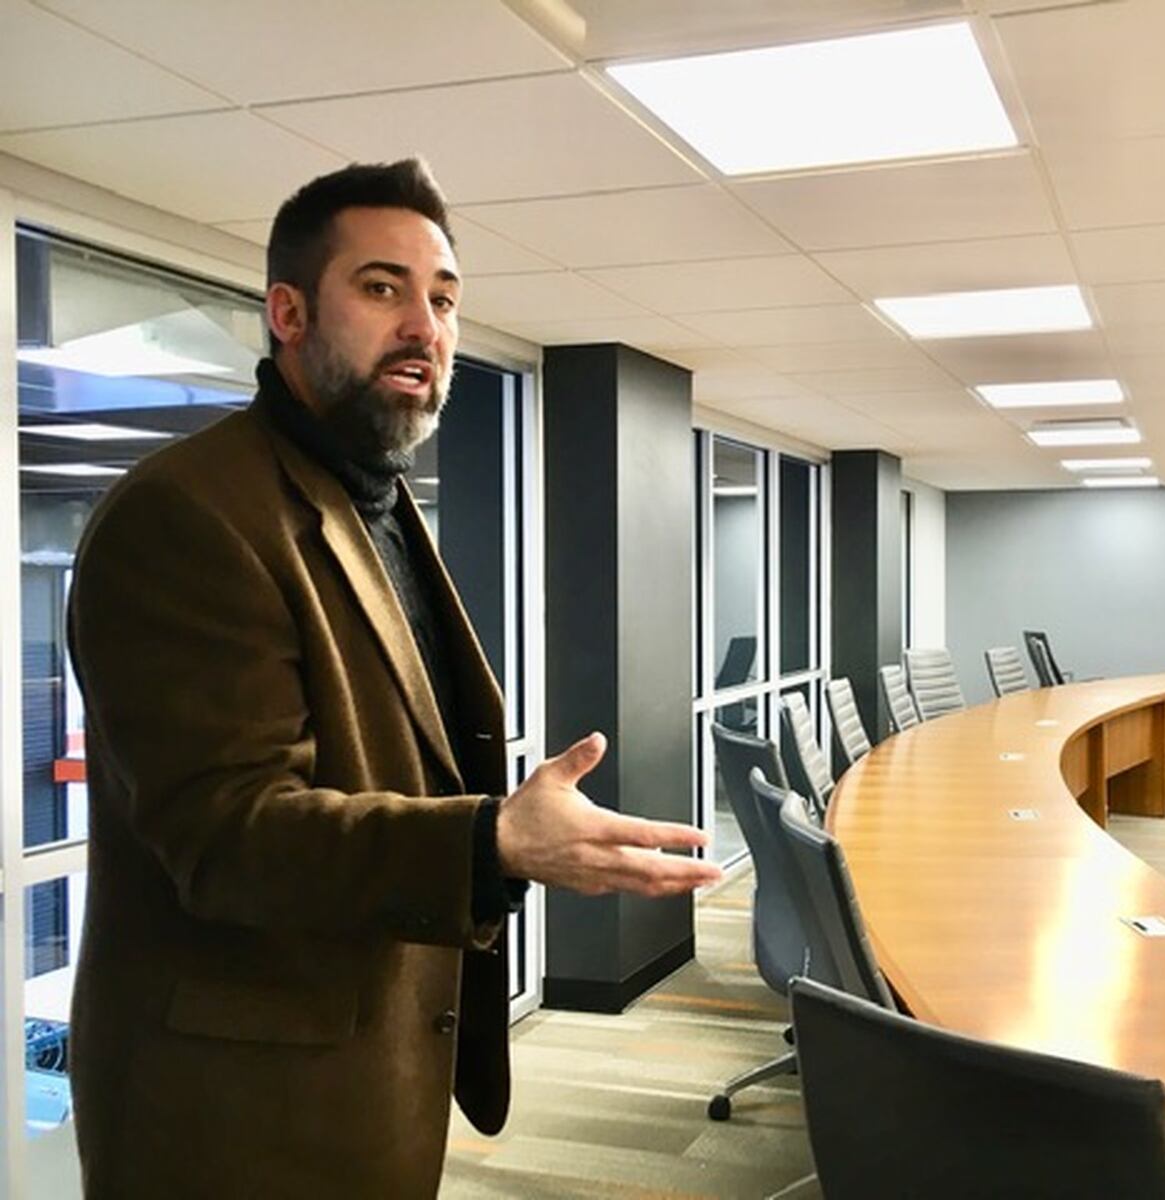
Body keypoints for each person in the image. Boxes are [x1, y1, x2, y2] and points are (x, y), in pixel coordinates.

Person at [66, 158, 722, 1199]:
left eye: (445, 299)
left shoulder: (371, 498)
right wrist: (490, 841)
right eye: (382, 289)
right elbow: (227, 834)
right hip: (235, 1116)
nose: (425, 324)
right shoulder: (187, 516)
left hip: (361, 1071)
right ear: (288, 310)